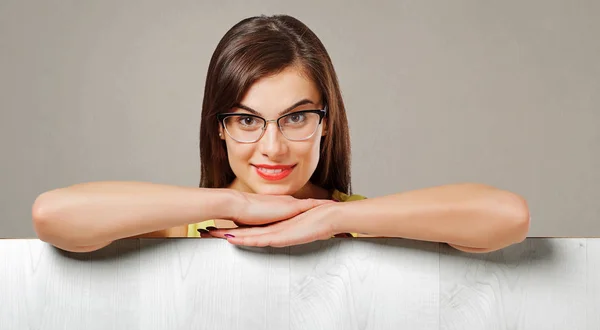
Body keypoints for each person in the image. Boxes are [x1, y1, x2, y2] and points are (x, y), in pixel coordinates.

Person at [31, 14, 530, 254]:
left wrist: (331, 219)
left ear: (326, 123)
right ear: (219, 129)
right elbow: (54, 215)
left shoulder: (353, 221)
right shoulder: (184, 225)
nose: (273, 147)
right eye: (247, 120)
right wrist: (237, 207)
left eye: (296, 117)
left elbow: (507, 216)